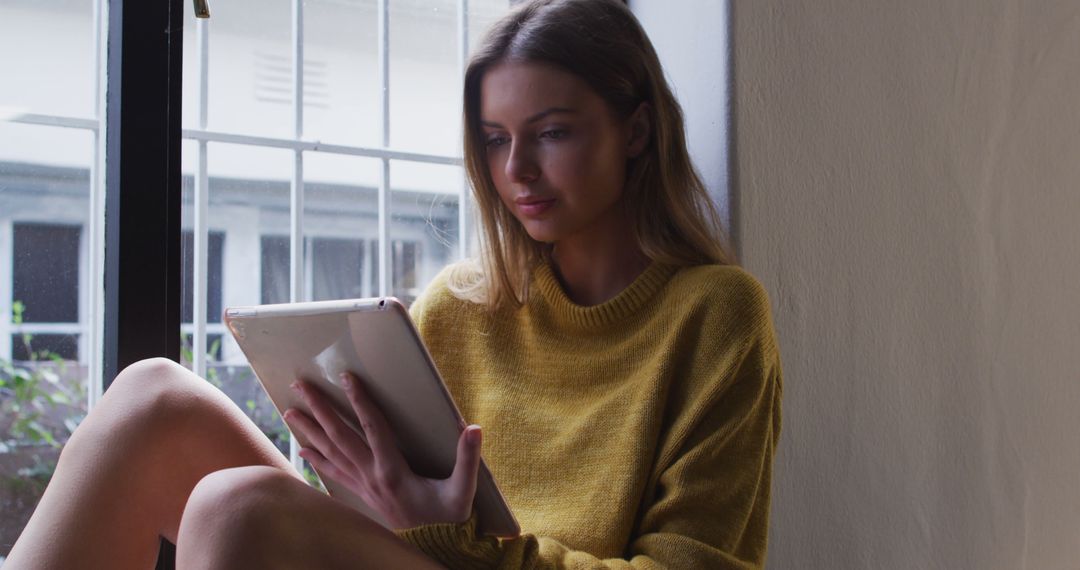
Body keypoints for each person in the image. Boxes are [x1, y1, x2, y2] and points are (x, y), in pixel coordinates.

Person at [6, 0, 783, 568]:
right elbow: (372, 518)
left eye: (552, 133)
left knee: (235, 510)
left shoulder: (715, 316)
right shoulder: (461, 306)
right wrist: (349, 471)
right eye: (494, 139)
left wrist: (465, 543)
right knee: (152, 400)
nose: (517, 171)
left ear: (637, 130)